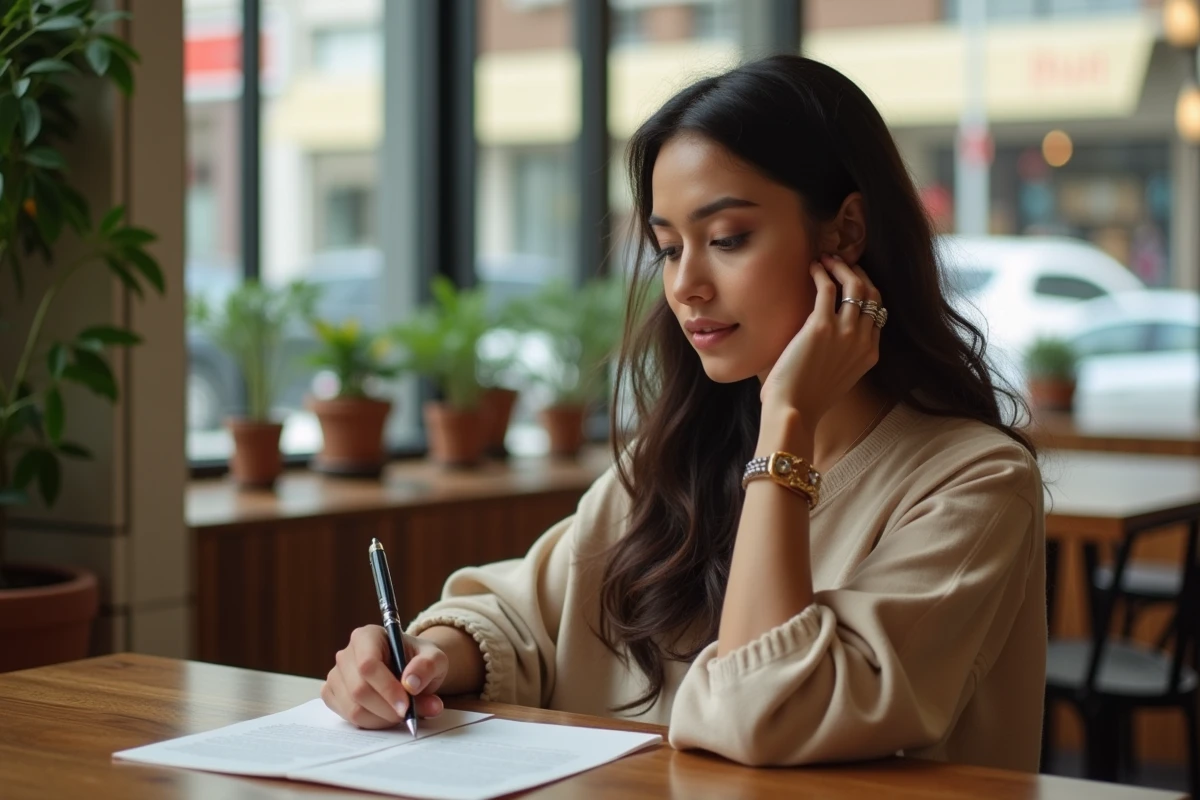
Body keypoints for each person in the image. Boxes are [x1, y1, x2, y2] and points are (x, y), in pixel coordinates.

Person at [321, 55, 1046, 772]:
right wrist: (421, 661)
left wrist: (786, 418)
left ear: (844, 233)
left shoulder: (974, 485)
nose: (686, 285)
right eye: (668, 248)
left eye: (726, 238)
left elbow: (764, 711)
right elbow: (528, 614)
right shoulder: (683, 454)